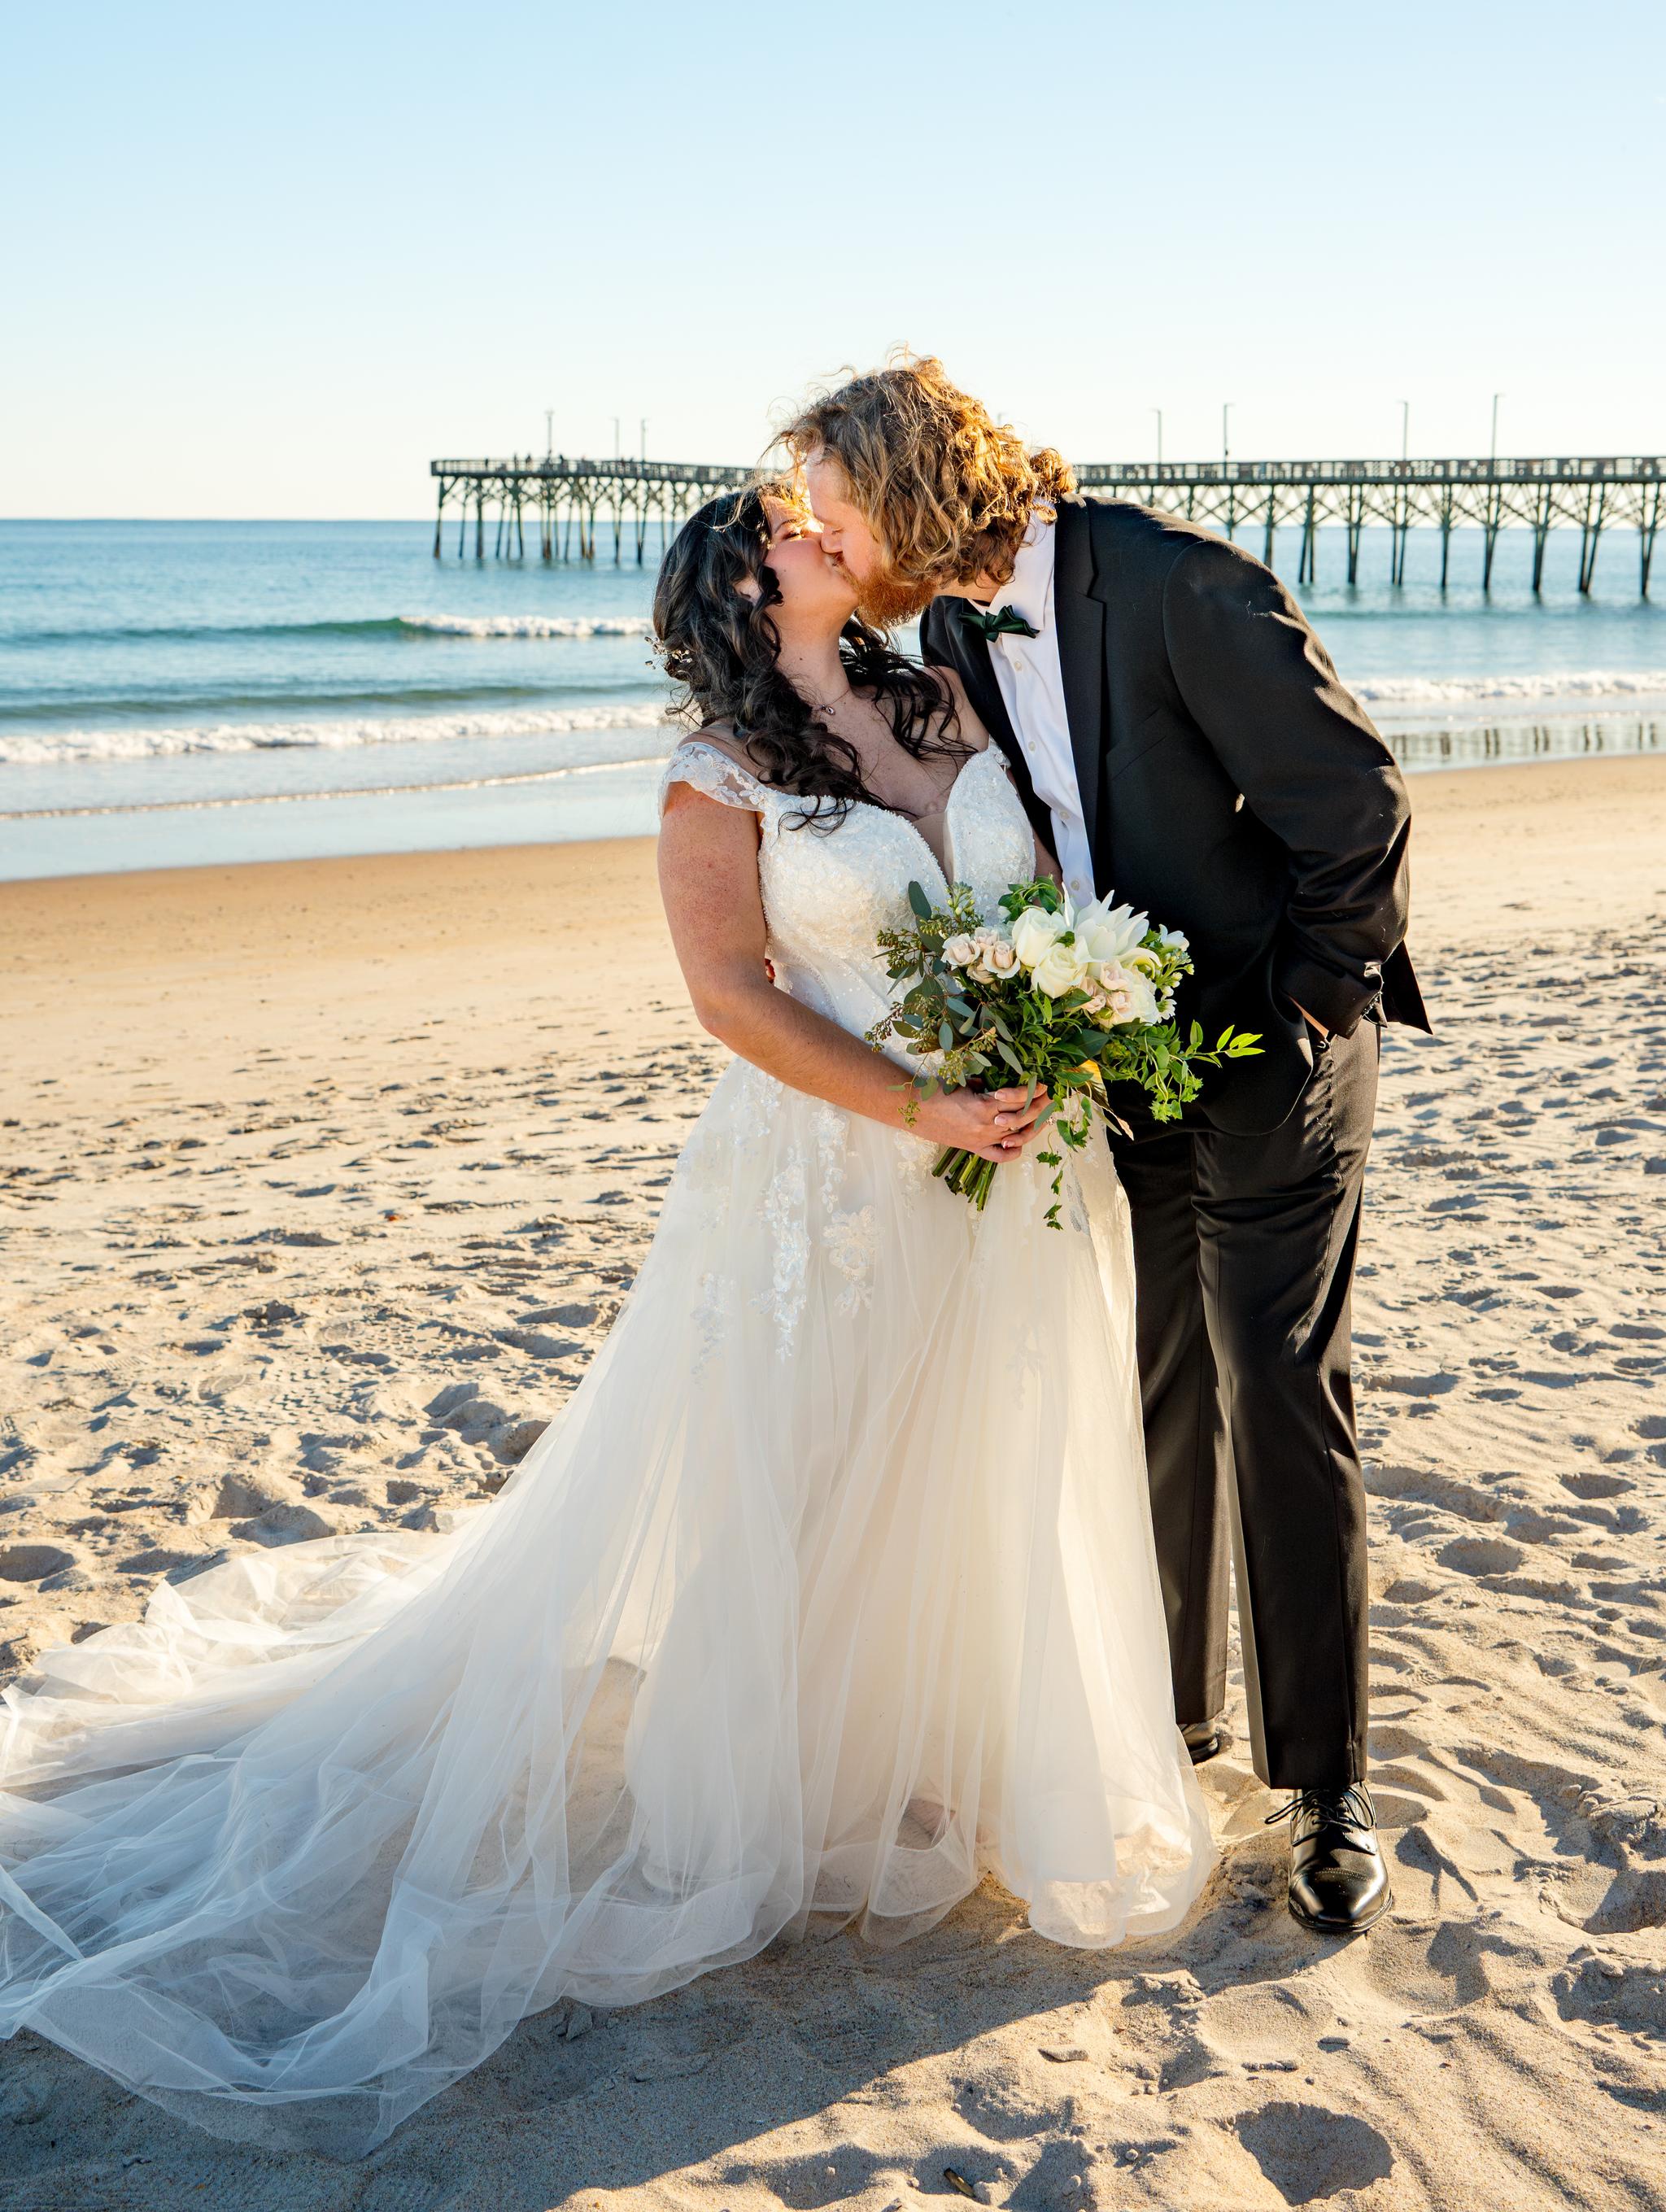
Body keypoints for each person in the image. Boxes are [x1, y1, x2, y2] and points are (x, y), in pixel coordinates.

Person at [0, 483, 1210, 2156]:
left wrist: (1067, 1028)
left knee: (990, 1436)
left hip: (1024, 1148)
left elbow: (1051, 882)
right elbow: (730, 997)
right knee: (818, 1451)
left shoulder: (945, 688)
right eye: (793, 520)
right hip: (839, 1165)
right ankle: (805, 1781)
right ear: (741, 578)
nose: (827, 521)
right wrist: (922, 1111)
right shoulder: (715, 773)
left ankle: (968, 1740)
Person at [784, 358, 1430, 1936]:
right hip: (1115, 1060)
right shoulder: (945, 630)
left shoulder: (1179, 589)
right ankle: (1172, 1721)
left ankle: (1322, 1784)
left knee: (1275, 1383)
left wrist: (1295, 1015)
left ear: (919, 498)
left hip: (1268, 1045)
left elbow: (1360, 813)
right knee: (1155, 1374)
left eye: (837, 512)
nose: (825, 540)